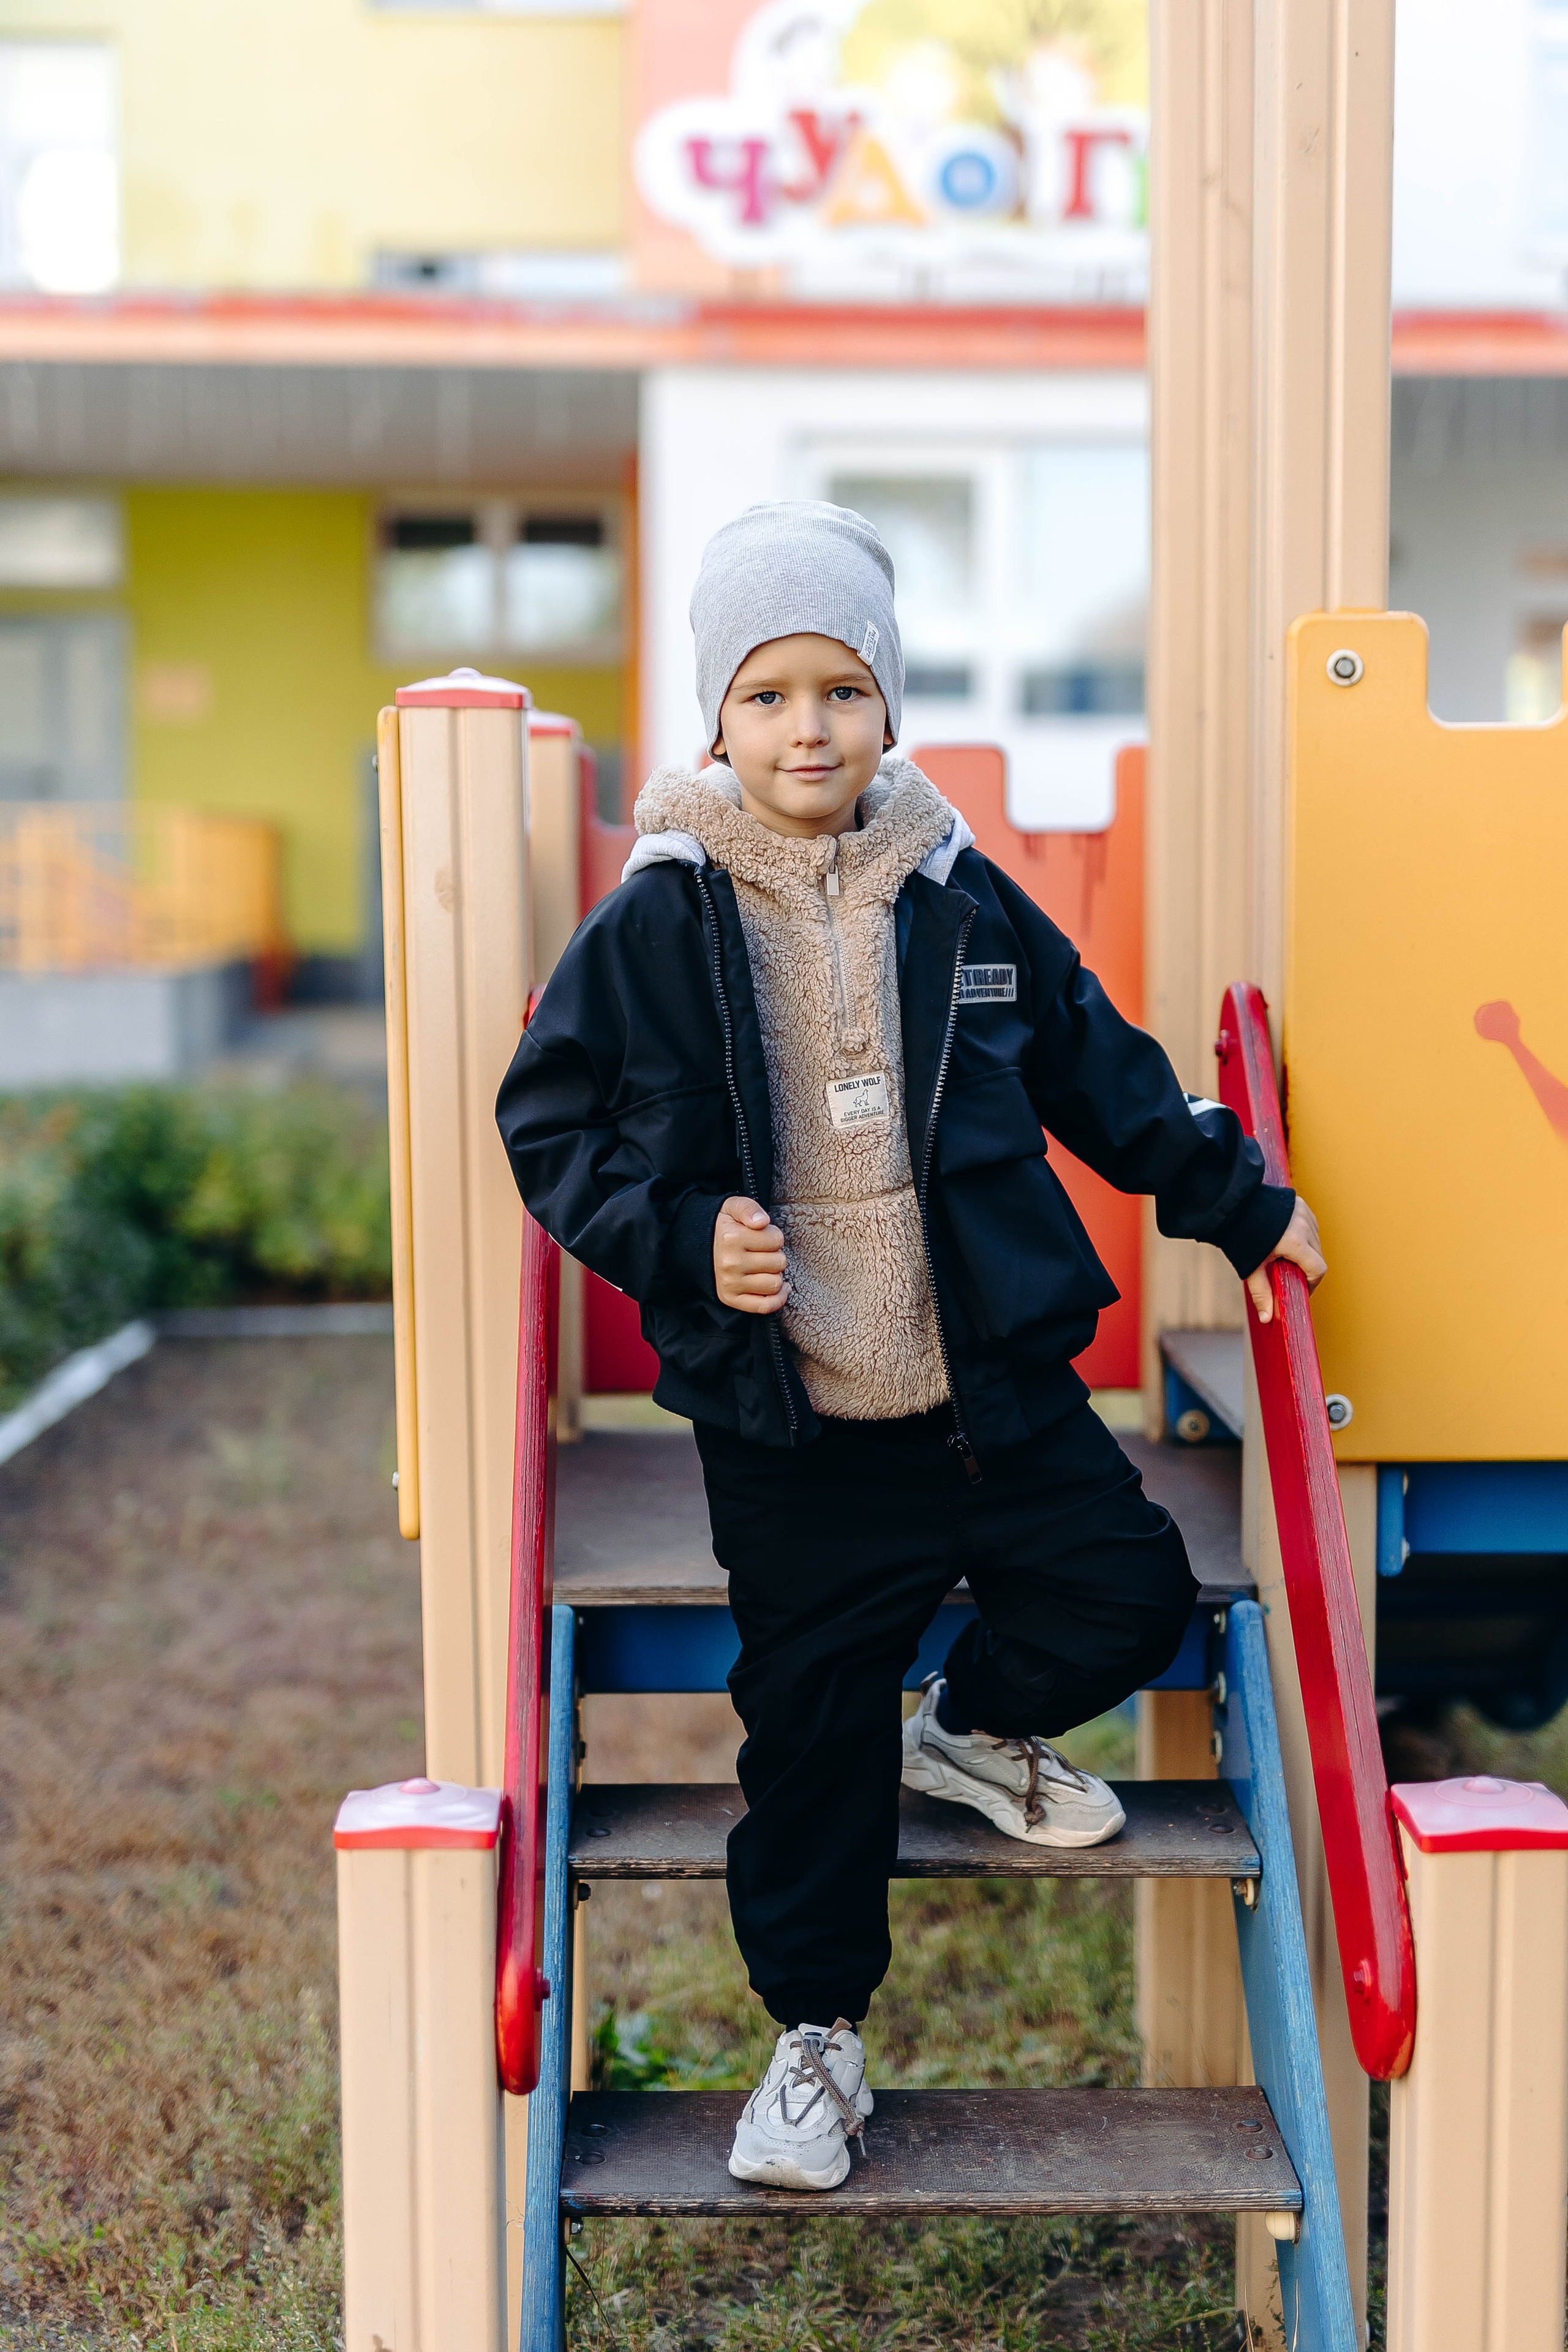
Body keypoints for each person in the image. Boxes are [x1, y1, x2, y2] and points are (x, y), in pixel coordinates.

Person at [496, 500, 1325, 2196]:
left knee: (1132, 1595)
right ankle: (814, 2043)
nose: (810, 728)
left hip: (990, 1395)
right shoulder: (657, 918)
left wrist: (1240, 1204)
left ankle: (962, 1723)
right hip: (796, 1432)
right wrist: (675, 1237)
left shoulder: (961, 895)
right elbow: (551, 1121)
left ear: (889, 707)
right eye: (771, 694)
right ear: (717, 721)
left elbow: (1104, 1068)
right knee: (806, 1738)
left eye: (843, 690)